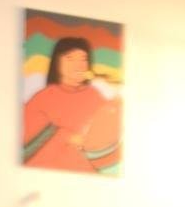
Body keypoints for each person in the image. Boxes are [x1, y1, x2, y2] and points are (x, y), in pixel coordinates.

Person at [22, 37, 121, 174]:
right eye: (70, 58)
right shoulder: (44, 96)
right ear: (57, 62)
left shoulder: (93, 95)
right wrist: (65, 136)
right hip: (44, 172)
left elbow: (106, 128)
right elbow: (27, 130)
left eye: (83, 59)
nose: (78, 65)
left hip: (85, 175)